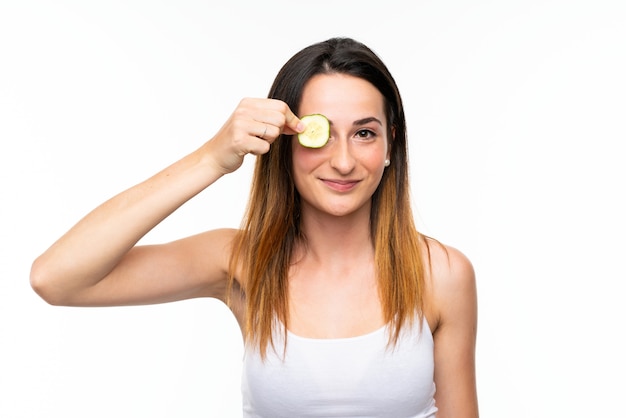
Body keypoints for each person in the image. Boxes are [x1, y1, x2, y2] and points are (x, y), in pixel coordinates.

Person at [31, 37, 479, 417]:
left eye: (364, 133)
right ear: (284, 141)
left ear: (389, 144)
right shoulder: (242, 262)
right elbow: (57, 279)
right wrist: (211, 158)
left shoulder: (442, 273)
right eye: (317, 133)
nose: (343, 161)